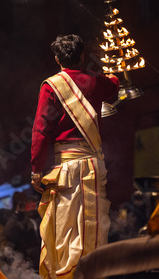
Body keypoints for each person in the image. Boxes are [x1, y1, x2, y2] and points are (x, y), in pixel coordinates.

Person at [31, 34, 119, 278]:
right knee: (95, 229)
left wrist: (37, 170)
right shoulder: (97, 81)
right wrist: (113, 74)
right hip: (95, 165)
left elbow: (40, 130)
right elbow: (114, 88)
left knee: (66, 232)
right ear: (82, 55)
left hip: (67, 169)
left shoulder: (51, 86)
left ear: (57, 59)